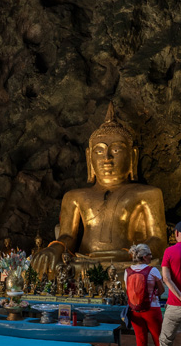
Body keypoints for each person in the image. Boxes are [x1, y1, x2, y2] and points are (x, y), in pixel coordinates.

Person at [31, 103, 167, 278]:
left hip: (126, 264)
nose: (107, 159)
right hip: (85, 262)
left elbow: (158, 240)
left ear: (133, 156)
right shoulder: (74, 196)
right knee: (56, 268)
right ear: (89, 157)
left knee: (146, 271)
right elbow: (67, 236)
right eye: (99, 151)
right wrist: (55, 248)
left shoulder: (148, 194)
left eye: (116, 150)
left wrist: (135, 253)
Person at [124, 244, 177, 346]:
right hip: (152, 309)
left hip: (135, 311)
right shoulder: (153, 271)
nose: (151, 257)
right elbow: (161, 291)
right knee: (159, 341)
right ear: (144, 256)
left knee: (141, 341)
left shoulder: (127, 271)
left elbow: (128, 291)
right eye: (150, 255)